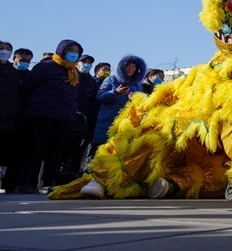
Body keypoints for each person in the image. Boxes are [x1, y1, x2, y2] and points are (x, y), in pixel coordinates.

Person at [15, 39, 84, 194]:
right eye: (70, 50)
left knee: (54, 152)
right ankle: (24, 183)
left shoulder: (74, 72)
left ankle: (46, 182)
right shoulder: (44, 67)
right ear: (61, 50)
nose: (74, 54)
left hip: (64, 118)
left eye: (76, 51)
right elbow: (26, 88)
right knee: (33, 150)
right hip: (41, 116)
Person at [91, 55, 146, 154]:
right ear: (122, 66)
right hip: (108, 120)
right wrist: (115, 92)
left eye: (133, 67)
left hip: (127, 123)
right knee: (100, 151)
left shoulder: (137, 85)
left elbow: (141, 104)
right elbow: (100, 96)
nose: (130, 69)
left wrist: (135, 99)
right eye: (128, 66)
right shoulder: (111, 79)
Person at [0, 41, 22, 191]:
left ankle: (7, 184)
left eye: (8, 49)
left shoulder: (12, 71)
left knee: (7, 153)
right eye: (2, 49)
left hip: (9, 118)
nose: (5, 52)